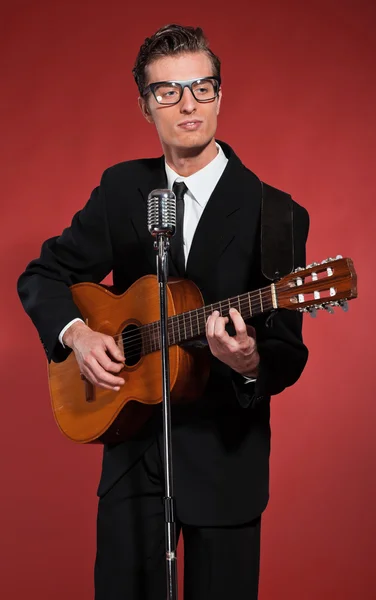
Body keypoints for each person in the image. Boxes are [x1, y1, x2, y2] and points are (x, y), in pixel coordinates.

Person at [17, 24, 309, 600]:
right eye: (168, 92)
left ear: (220, 96)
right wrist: (76, 335)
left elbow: (288, 352)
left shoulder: (276, 213)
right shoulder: (123, 190)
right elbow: (44, 274)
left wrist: (248, 359)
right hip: (132, 455)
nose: (188, 103)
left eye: (202, 87)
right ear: (146, 106)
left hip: (226, 460)